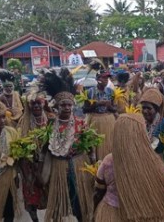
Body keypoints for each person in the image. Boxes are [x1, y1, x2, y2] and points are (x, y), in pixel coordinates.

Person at [93, 113, 164, 222]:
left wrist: (94, 212)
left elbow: (99, 191)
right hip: (144, 213)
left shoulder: (109, 160)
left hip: (111, 212)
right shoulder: (153, 160)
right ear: (142, 133)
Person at [41, 72, 95, 222]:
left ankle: (83, 217)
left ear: (73, 105)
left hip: (78, 163)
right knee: (60, 199)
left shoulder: (80, 122)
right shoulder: (51, 124)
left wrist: (92, 161)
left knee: (80, 200)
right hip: (59, 166)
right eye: (63, 104)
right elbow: (46, 146)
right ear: (57, 106)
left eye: (69, 104)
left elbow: (89, 144)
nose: (66, 107)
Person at [17, 91, 49, 222]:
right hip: (29, 165)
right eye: (33, 104)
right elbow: (19, 148)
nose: (36, 106)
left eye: (39, 103)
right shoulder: (22, 123)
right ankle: (35, 219)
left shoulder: (50, 119)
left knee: (49, 193)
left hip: (48, 164)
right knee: (31, 195)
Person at [83, 71, 116, 160]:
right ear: (97, 79)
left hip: (108, 122)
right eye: (104, 78)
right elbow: (84, 109)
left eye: (107, 78)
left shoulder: (111, 92)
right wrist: (97, 104)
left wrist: (109, 106)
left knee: (108, 143)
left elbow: (114, 109)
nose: (106, 80)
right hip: (95, 122)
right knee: (95, 145)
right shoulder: (89, 92)